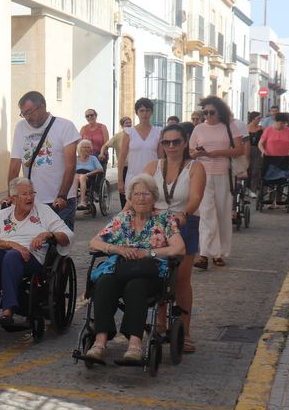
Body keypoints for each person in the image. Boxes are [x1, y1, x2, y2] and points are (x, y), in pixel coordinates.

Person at [83, 174, 185, 363]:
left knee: (135, 287)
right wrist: (117, 249)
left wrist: (148, 253)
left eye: (146, 194)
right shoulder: (122, 219)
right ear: (129, 198)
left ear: (154, 197)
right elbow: (94, 242)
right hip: (122, 269)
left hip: (150, 272)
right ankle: (100, 341)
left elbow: (179, 248)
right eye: (136, 194)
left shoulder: (164, 219)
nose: (141, 198)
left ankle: (135, 344)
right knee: (104, 282)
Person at [0, 177, 72, 328]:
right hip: (9, 251)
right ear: (13, 198)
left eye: (32, 193)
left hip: (32, 258)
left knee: (12, 257)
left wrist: (49, 234)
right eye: (24, 194)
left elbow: (67, 236)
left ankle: (8, 311)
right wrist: (12, 244)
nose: (30, 197)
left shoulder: (43, 211)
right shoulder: (3, 215)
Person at [141, 124, 206, 353]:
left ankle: (185, 332)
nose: (171, 147)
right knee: (158, 276)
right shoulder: (152, 166)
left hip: (184, 224)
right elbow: (140, 193)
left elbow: (196, 197)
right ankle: (159, 322)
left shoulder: (195, 168)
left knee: (181, 280)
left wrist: (184, 214)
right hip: (156, 226)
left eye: (176, 142)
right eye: (166, 142)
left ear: (185, 142)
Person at [8, 91, 80, 230]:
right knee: (33, 245)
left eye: (30, 112)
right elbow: (15, 164)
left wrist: (62, 196)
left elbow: (70, 166)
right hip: (32, 200)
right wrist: (11, 195)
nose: (27, 117)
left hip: (59, 201)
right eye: (24, 113)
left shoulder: (65, 126)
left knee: (59, 245)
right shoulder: (21, 127)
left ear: (42, 107)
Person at [190, 96, 245, 269]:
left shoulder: (229, 127)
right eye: (204, 112)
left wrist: (217, 153)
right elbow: (191, 151)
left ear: (219, 112)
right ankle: (205, 254)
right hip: (203, 174)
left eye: (211, 112)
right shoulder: (198, 129)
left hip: (224, 174)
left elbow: (239, 150)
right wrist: (198, 153)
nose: (207, 115)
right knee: (206, 214)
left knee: (222, 213)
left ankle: (220, 252)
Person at [119, 97, 161, 194]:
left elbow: (161, 158)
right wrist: (120, 181)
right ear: (136, 112)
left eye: (147, 110)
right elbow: (122, 158)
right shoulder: (129, 132)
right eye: (141, 110)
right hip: (132, 177)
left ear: (152, 112)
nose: (144, 114)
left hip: (153, 178)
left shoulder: (158, 132)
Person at [103, 116, 131, 208]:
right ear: (122, 125)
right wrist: (102, 153)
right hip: (124, 166)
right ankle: (124, 208)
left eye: (130, 122)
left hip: (134, 166)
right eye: (126, 123)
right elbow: (106, 145)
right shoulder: (118, 136)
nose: (129, 124)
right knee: (122, 189)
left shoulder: (136, 134)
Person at [74, 138, 104, 210]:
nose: (87, 149)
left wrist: (88, 174)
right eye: (85, 147)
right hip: (77, 177)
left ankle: (83, 202)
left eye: (89, 147)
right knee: (75, 177)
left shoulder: (93, 158)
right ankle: (74, 201)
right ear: (80, 149)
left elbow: (101, 169)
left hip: (89, 178)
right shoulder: (76, 159)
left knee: (82, 177)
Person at [245, 111, 264, 192]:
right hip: (247, 149)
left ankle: (253, 189)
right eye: (258, 118)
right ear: (253, 119)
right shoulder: (246, 128)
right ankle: (246, 188)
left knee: (256, 170)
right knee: (247, 168)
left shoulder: (261, 129)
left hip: (257, 149)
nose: (259, 120)